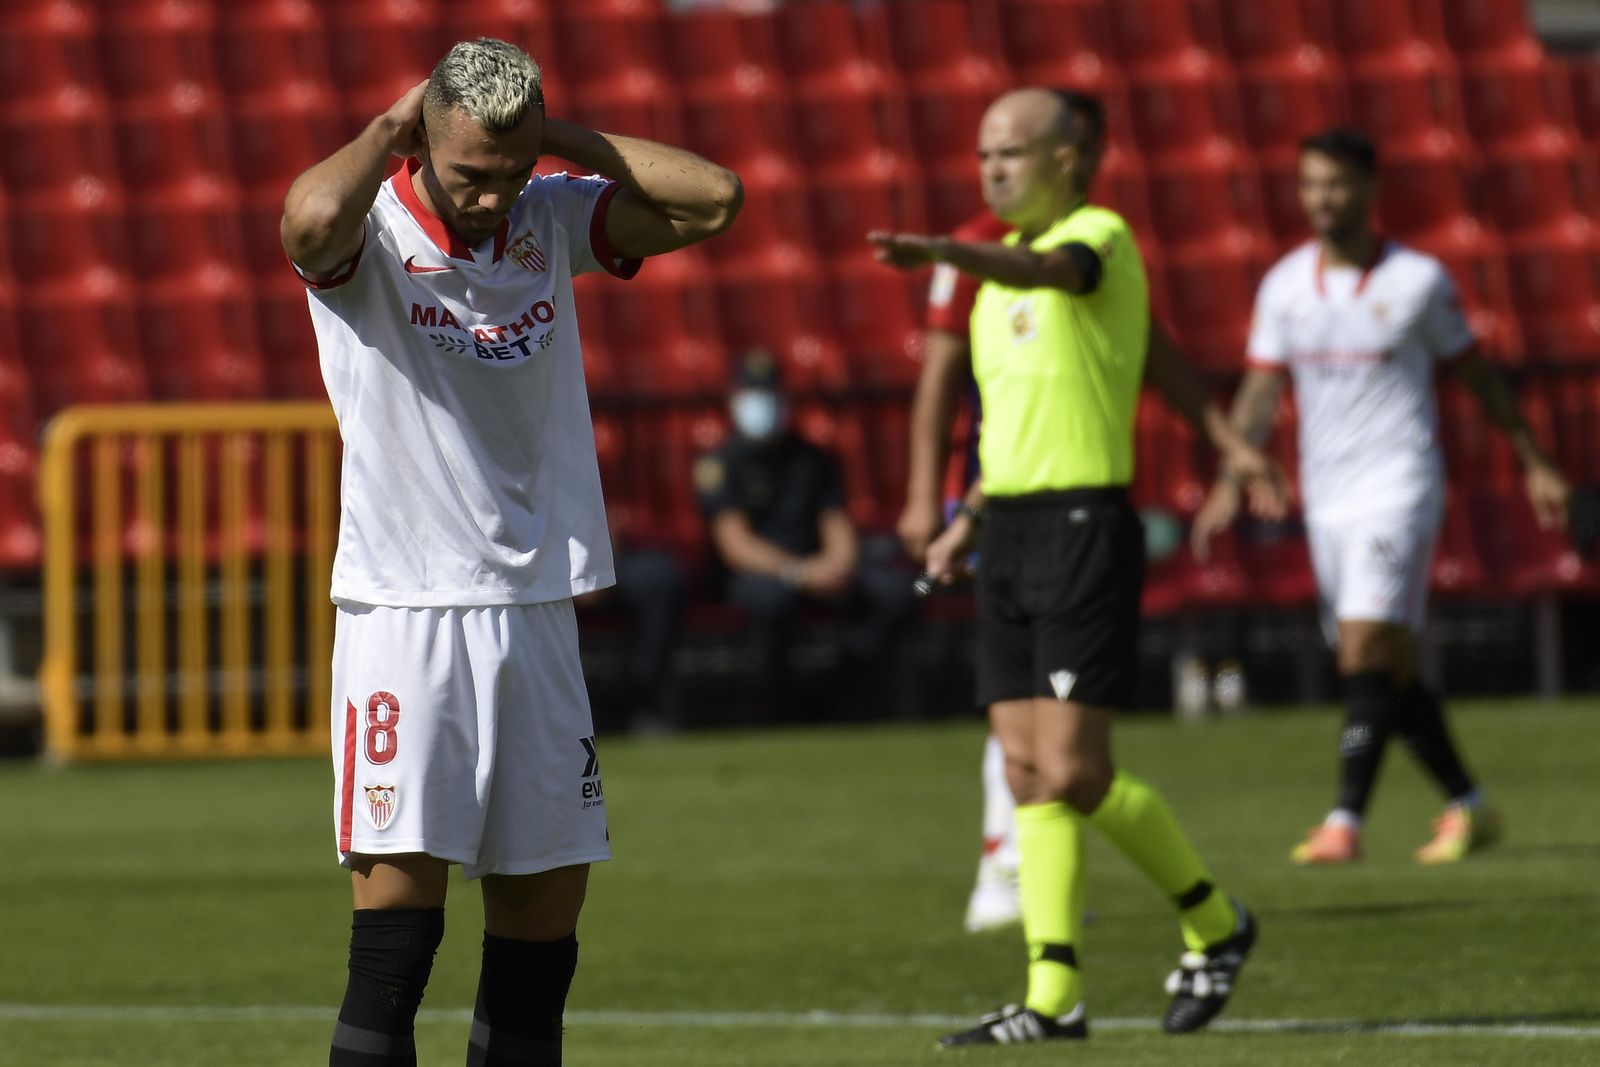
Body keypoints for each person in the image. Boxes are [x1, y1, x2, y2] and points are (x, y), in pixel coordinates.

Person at [279, 38, 741, 1066]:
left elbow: (715, 199)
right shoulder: (371, 227)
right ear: (422, 141)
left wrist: (553, 145)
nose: (493, 198)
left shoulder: (546, 213)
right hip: (405, 614)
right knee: (395, 947)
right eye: (470, 175)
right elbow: (306, 219)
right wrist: (389, 128)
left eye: (512, 172)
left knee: (538, 951)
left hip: (536, 608)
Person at [869, 87, 1288, 1046]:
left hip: (1083, 531)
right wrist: (966, 519)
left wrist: (943, 253)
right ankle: (1054, 995)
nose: (993, 170)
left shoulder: (1099, 239)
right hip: (1010, 534)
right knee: (1026, 771)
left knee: (1071, 767)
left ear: (1068, 159)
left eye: (1012, 153)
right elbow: (1014, 430)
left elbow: (1055, 269)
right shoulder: (994, 294)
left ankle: (1216, 918)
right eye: (983, 156)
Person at [1191, 128, 1571, 866]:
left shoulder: (1417, 281)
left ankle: (1344, 823)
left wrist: (1533, 459)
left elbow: (1477, 375)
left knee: (1364, 644)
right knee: (1383, 664)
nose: (1321, 198)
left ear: (1369, 189)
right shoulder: (1286, 286)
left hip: (1399, 485)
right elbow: (1261, 392)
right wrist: (1229, 481)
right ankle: (1470, 804)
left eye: (1335, 184)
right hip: (1326, 496)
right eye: (1311, 184)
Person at [898, 90, 1105, 936]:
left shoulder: (1096, 243)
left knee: (1047, 701)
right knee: (1017, 690)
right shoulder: (977, 247)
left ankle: (1030, 863)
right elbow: (940, 376)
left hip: (1068, 491)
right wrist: (925, 492)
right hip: (995, 492)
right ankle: (1004, 857)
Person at [695, 350, 917, 721]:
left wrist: (837, 566)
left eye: (770, 393)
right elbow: (736, 545)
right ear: (734, 398)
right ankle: (781, 705)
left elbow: (837, 524)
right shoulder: (721, 464)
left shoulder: (810, 458)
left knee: (896, 593)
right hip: (759, 575)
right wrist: (798, 573)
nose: (763, 403)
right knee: (772, 601)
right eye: (754, 393)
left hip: (816, 565)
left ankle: (838, 691)